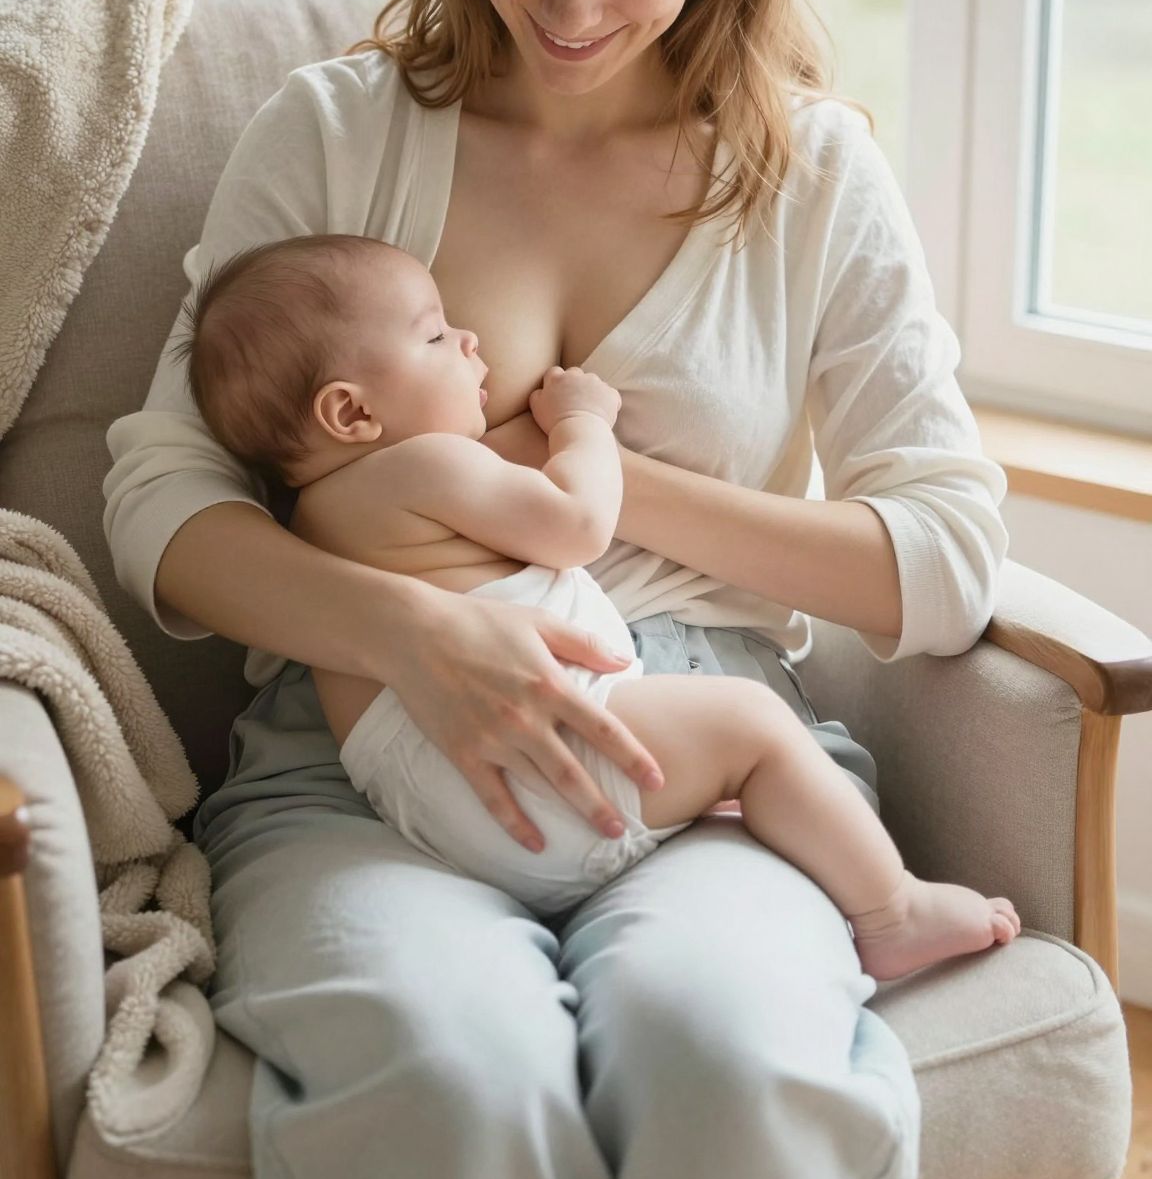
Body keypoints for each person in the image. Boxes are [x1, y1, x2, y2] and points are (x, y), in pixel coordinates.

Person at [103, 0, 1010, 1179]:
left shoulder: (809, 178)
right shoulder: (340, 131)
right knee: (450, 1076)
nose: (574, 7)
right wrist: (415, 625)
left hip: (697, 759)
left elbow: (945, 553)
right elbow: (160, 492)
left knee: (734, 1064)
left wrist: (597, 478)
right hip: (361, 753)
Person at [175, 229, 1021, 980]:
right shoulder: (428, 463)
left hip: (428, 803)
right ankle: (890, 910)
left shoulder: (311, 522)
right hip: (549, 751)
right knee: (755, 728)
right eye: (435, 335)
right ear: (351, 411)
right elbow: (577, 526)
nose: (470, 339)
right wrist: (581, 428)